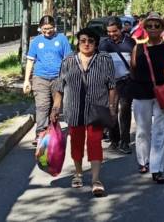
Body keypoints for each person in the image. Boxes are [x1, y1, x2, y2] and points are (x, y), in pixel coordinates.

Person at [50, 28, 117, 197]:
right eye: (83, 40)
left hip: (97, 108)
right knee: (77, 143)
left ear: (96, 43)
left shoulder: (104, 59)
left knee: (95, 142)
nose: (87, 44)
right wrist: (56, 107)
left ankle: (96, 180)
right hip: (74, 108)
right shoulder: (69, 60)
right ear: (78, 42)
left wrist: (111, 106)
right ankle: (78, 173)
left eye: (91, 41)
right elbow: (59, 85)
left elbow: (111, 85)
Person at [130, 11, 164, 184]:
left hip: (162, 92)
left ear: (163, 28)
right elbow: (133, 69)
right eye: (150, 25)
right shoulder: (138, 47)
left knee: (160, 131)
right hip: (142, 93)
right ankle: (143, 161)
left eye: (157, 25)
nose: (153, 28)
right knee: (142, 130)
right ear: (145, 28)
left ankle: (157, 168)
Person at [23, 15, 73, 144]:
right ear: (40, 28)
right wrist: (26, 80)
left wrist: (69, 78)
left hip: (58, 78)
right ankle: (40, 133)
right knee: (42, 106)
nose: (47, 31)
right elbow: (30, 60)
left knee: (55, 108)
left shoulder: (62, 39)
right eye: (44, 29)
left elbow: (68, 60)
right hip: (40, 78)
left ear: (54, 26)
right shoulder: (36, 41)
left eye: (50, 28)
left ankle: (53, 131)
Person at [98, 16, 136, 154]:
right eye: (109, 32)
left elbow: (135, 61)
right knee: (111, 111)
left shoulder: (130, 42)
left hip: (126, 82)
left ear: (121, 29)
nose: (112, 34)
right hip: (110, 84)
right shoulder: (104, 45)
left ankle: (125, 142)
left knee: (125, 111)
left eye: (114, 31)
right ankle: (114, 139)